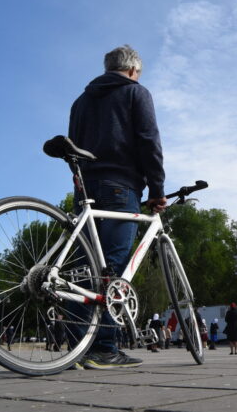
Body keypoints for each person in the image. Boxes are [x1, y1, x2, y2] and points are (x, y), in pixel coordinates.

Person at [68, 44, 166, 369]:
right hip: (121, 186)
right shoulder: (136, 92)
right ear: (134, 70)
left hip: (85, 189)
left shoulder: (81, 101)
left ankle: (76, 348)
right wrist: (157, 189)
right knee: (114, 267)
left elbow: (73, 146)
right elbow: (149, 140)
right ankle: (104, 348)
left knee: (83, 269)